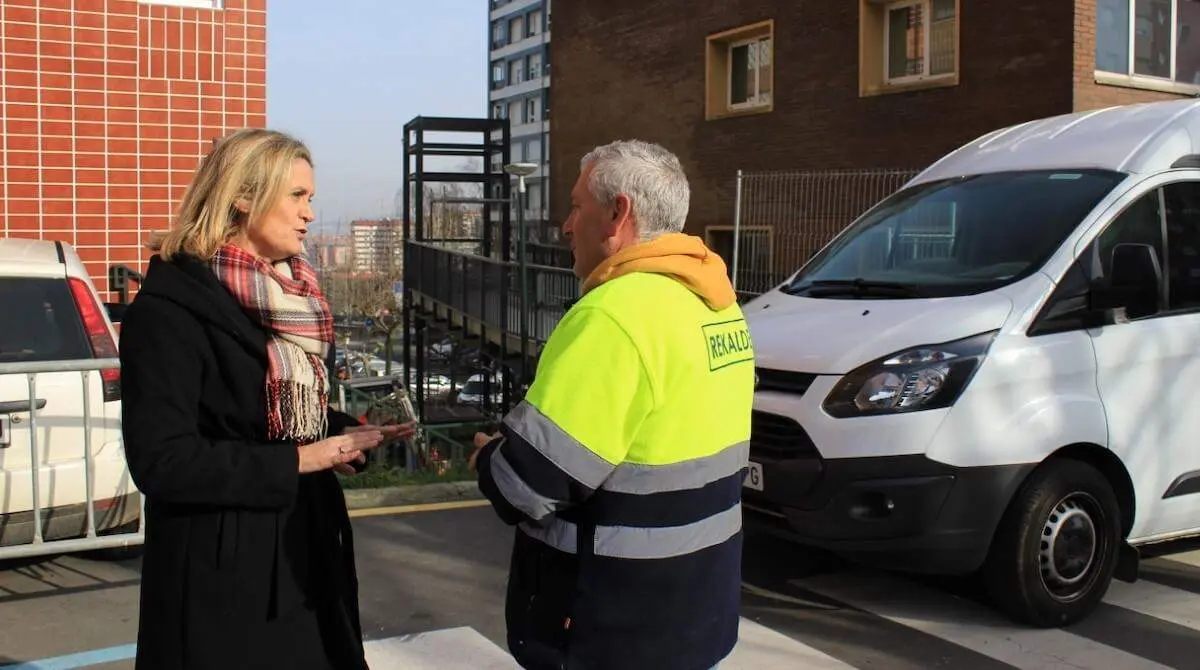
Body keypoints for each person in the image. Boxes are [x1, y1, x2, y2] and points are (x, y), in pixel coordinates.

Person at [119, 128, 412, 670]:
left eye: (312, 198)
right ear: (243, 197)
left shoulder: (289, 296)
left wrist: (343, 433)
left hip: (303, 559)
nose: (309, 212)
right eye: (297, 196)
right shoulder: (166, 312)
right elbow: (162, 461)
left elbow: (266, 412)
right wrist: (300, 460)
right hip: (224, 582)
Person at [470, 139, 755, 670]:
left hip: (612, 624)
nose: (566, 225)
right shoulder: (717, 305)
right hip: (697, 609)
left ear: (618, 214)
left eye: (577, 206)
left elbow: (525, 486)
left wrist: (488, 456)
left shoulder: (614, 315)